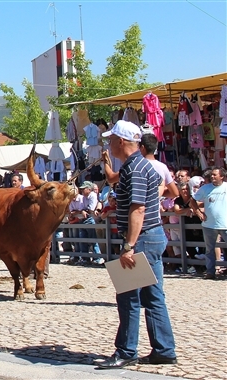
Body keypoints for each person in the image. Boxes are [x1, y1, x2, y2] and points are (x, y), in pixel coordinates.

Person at [97, 120, 176, 369]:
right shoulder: (140, 165)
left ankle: (126, 350)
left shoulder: (135, 169)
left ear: (121, 141)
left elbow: (138, 208)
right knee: (153, 296)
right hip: (152, 236)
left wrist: (129, 245)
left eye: (111, 140)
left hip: (141, 238)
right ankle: (163, 349)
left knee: (128, 296)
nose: (109, 144)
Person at [191, 167, 226, 279]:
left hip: (225, 224)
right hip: (209, 224)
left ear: (222, 176)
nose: (212, 176)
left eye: (215, 175)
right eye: (211, 175)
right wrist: (198, 212)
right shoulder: (205, 188)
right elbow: (193, 200)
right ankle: (210, 272)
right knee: (209, 249)